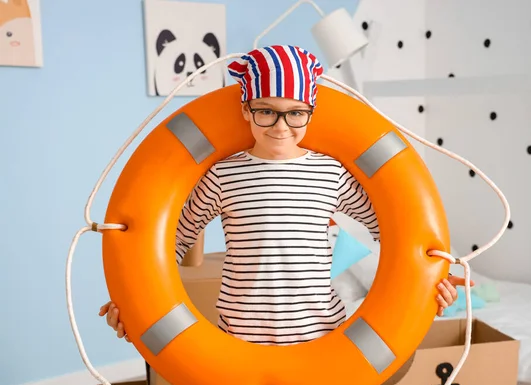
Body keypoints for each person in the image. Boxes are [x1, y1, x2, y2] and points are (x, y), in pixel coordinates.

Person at [99, 45, 470, 347]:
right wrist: (135, 304)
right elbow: (168, 244)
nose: (280, 126)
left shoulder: (330, 172)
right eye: (266, 112)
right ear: (246, 109)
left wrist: (431, 277)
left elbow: (396, 229)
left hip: (323, 335)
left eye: (295, 113)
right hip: (241, 338)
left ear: (311, 112)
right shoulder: (221, 175)